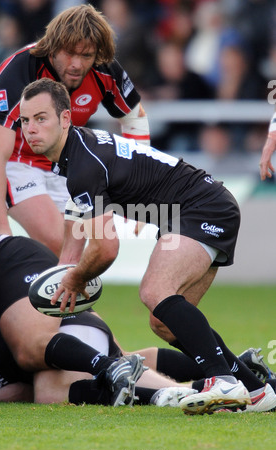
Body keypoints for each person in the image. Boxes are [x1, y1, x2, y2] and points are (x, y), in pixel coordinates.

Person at [19, 77, 274, 415]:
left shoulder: (83, 163)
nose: (30, 129)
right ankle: (256, 391)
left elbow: (106, 248)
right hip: (196, 208)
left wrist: (76, 279)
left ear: (65, 119)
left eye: (41, 118)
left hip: (201, 207)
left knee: (155, 290)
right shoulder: (77, 153)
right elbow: (76, 226)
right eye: (24, 121)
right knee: (165, 321)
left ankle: (221, 380)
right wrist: (65, 278)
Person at [0, 4, 150, 256]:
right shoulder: (21, 69)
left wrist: (139, 191)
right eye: (69, 53)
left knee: (87, 251)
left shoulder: (104, 68)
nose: (77, 64)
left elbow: (135, 119)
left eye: (87, 56)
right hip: (13, 157)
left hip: (58, 159)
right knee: (58, 241)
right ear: (53, 46)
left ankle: (35, 289)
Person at [0, 307, 275, 412]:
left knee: (50, 391)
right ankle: (238, 368)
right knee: (133, 359)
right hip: (77, 322)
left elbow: (22, 390)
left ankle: (175, 393)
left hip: (65, 329)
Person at [0, 234, 147, 407]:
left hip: (5, 259)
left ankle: (109, 366)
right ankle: (164, 391)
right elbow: (21, 391)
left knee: (31, 347)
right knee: (49, 393)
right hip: (66, 332)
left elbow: (55, 232)